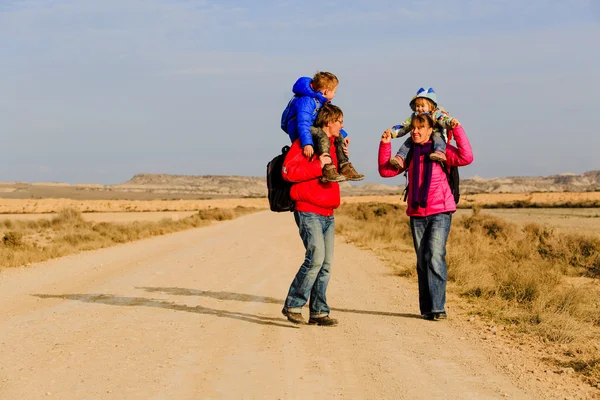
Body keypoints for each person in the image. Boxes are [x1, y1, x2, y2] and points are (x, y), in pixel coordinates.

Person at [378, 113, 473, 320]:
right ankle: (428, 309)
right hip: (417, 213)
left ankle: (438, 308)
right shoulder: (410, 152)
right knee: (422, 261)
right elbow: (386, 172)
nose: (416, 131)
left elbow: (466, 157)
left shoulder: (441, 151)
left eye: (421, 127)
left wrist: (457, 129)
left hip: (440, 211)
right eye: (413, 127)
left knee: (435, 256)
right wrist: (385, 145)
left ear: (431, 130)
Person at [280, 103, 346, 326]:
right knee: (315, 259)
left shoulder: (335, 145)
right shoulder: (303, 143)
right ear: (329, 121)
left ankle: (318, 311)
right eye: (340, 121)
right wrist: (318, 165)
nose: (342, 126)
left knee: (326, 264)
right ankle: (293, 304)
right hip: (308, 210)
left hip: (328, 212)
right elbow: (288, 172)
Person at [281, 71, 364, 183]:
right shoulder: (307, 101)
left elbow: (327, 120)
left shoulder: (319, 100)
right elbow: (303, 123)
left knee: (338, 137)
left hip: (311, 127)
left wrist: (343, 134)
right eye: (335, 92)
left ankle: (345, 166)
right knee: (322, 135)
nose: (335, 95)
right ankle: (327, 167)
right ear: (326, 91)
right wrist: (307, 143)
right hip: (299, 128)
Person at [388, 87, 459, 169]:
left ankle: (440, 152)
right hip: (420, 136)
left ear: (431, 106)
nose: (419, 108)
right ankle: (400, 157)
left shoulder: (435, 113)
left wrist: (450, 122)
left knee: (438, 137)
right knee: (409, 141)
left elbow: (443, 118)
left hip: (434, 133)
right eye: (417, 106)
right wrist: (392, 132)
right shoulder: (414, 117)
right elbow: (405, 126)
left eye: (422, 106)